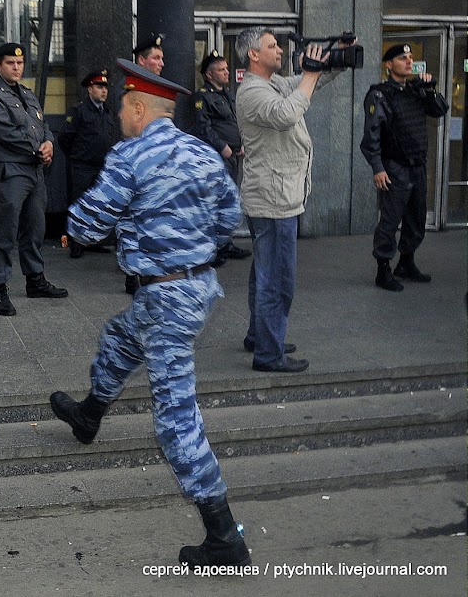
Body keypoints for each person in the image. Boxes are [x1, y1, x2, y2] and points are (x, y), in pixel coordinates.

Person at [50, 58, 248, 569]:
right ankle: (89, 415)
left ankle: (223, 536)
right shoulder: (204, 153)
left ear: (139, 108)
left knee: (176, 418)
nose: (119, 114)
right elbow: (229, 218)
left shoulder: (130, 155)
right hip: (197, 287)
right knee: (120, 337)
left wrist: (72, 228)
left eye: (122, 106)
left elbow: (91, 221)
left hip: (164, 298)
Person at [235, 26, 352, 373]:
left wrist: (335, 57)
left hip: (275, 194)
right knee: (278, 280)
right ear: (253, 55)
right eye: (272, 46)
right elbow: (287, 114)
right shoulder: (252, 92)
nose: (279, 50)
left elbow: (309, 83)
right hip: (273, 199)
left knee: (263, 273)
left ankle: (261, 337)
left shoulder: (271, 83)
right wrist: (311, 74)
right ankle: (269, 355)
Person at [0, 42, 67, 316]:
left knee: (35, 227)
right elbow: (4, 132)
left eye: (20, 63)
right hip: (10, 170)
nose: (16, 67)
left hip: (34, 170)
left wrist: (49, 143)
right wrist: (38, 149)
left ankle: (35, 279)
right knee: (5, 230)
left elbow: (44, 126)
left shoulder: (27, 94)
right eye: (10, 63)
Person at [361, 43, 449, 292]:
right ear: (389, 65)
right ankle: (383, 270)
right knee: (390, 221)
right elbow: (372, 136)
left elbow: (440, 110)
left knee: (416, 219)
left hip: (417, 166)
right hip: (394, 167)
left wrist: (430, 89)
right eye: (402, 58)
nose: (409, 62)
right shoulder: (380, 95)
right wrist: (378, 168)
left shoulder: (416, 90)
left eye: (411, 58)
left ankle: (406, 263)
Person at [190, 50, 251, 265]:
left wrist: (241, 143)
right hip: (216, 157)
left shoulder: (228, 94)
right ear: (209, 75)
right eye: (221, 70)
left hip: (233, 156)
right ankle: (211, 249)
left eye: (226, 69)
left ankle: (225, 243)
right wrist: (222, 146)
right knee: (213, 202)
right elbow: (203, 127)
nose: (226, 72)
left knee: (228, 201)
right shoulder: (202, 97)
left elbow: (236, 122)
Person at [121, 34, 167, 295]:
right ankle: (132, 273)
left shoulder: (158, 86)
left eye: (162, 58)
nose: (161, 63)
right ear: (141, 60)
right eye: (156, 58)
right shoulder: (131, 87)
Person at [58, 69, 118, 258]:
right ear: (90, 89)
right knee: (80, 205)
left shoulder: (107, 112)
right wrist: (77, 156)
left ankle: (95, 241)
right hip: (83, 166)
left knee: (99, 206)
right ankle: (76, 243)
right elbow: (65, 137)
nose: (104, 91)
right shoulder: (79, 110)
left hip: (102, 166)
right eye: (99, 87)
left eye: (105, 87)